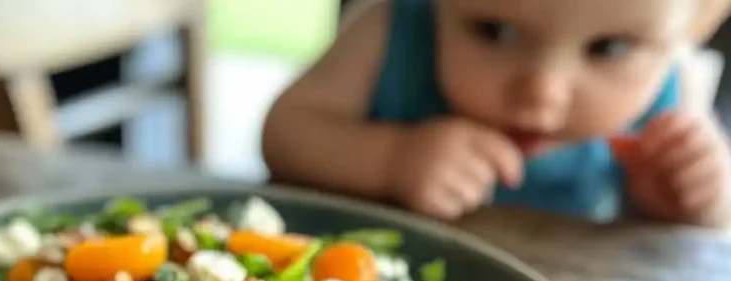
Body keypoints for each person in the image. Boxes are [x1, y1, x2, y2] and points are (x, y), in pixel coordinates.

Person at [262, 0, 731, 225]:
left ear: (696, 23)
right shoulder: (392, 26)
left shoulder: (670, 84)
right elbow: (284, 132)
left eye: (608, 48)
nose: (542, 95)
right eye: (496, 33)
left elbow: (704, 247)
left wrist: (698, 196)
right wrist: (392, 160)